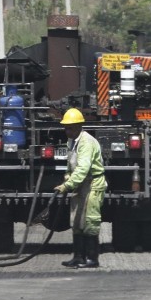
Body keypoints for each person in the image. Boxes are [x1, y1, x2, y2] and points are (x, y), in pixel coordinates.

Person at [54, 108, 107, 268]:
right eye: (65, 127)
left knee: (90, 221)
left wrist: (67, 186)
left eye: (69, 128)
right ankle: (78, 257)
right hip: (79, 185)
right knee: (76, 221)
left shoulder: (86, 142)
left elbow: (83, 168)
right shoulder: (72, 142)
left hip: (92, 184)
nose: (66, 131)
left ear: (78, 127)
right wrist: (67, 178)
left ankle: (92, 258)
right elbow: (71, 166)